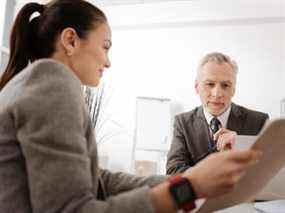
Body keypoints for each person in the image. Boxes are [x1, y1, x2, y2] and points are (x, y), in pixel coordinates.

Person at [0, 1, 262, 213]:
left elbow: (98, 180)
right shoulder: (52, 85)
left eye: (225, 85)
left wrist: (190, 182)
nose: (108, 61)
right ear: (70, 41)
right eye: (105, 47)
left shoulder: (36, 82)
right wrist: (189, 188)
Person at [166, 52, 269, 175]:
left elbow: (268, 172)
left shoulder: (259, 121)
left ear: (233, 90)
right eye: (210, 84)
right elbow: (173, 172)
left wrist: (240, 144)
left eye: (225, 85)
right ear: (197, 87)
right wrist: (214, 173)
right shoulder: (182, 123)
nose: (217, 94)